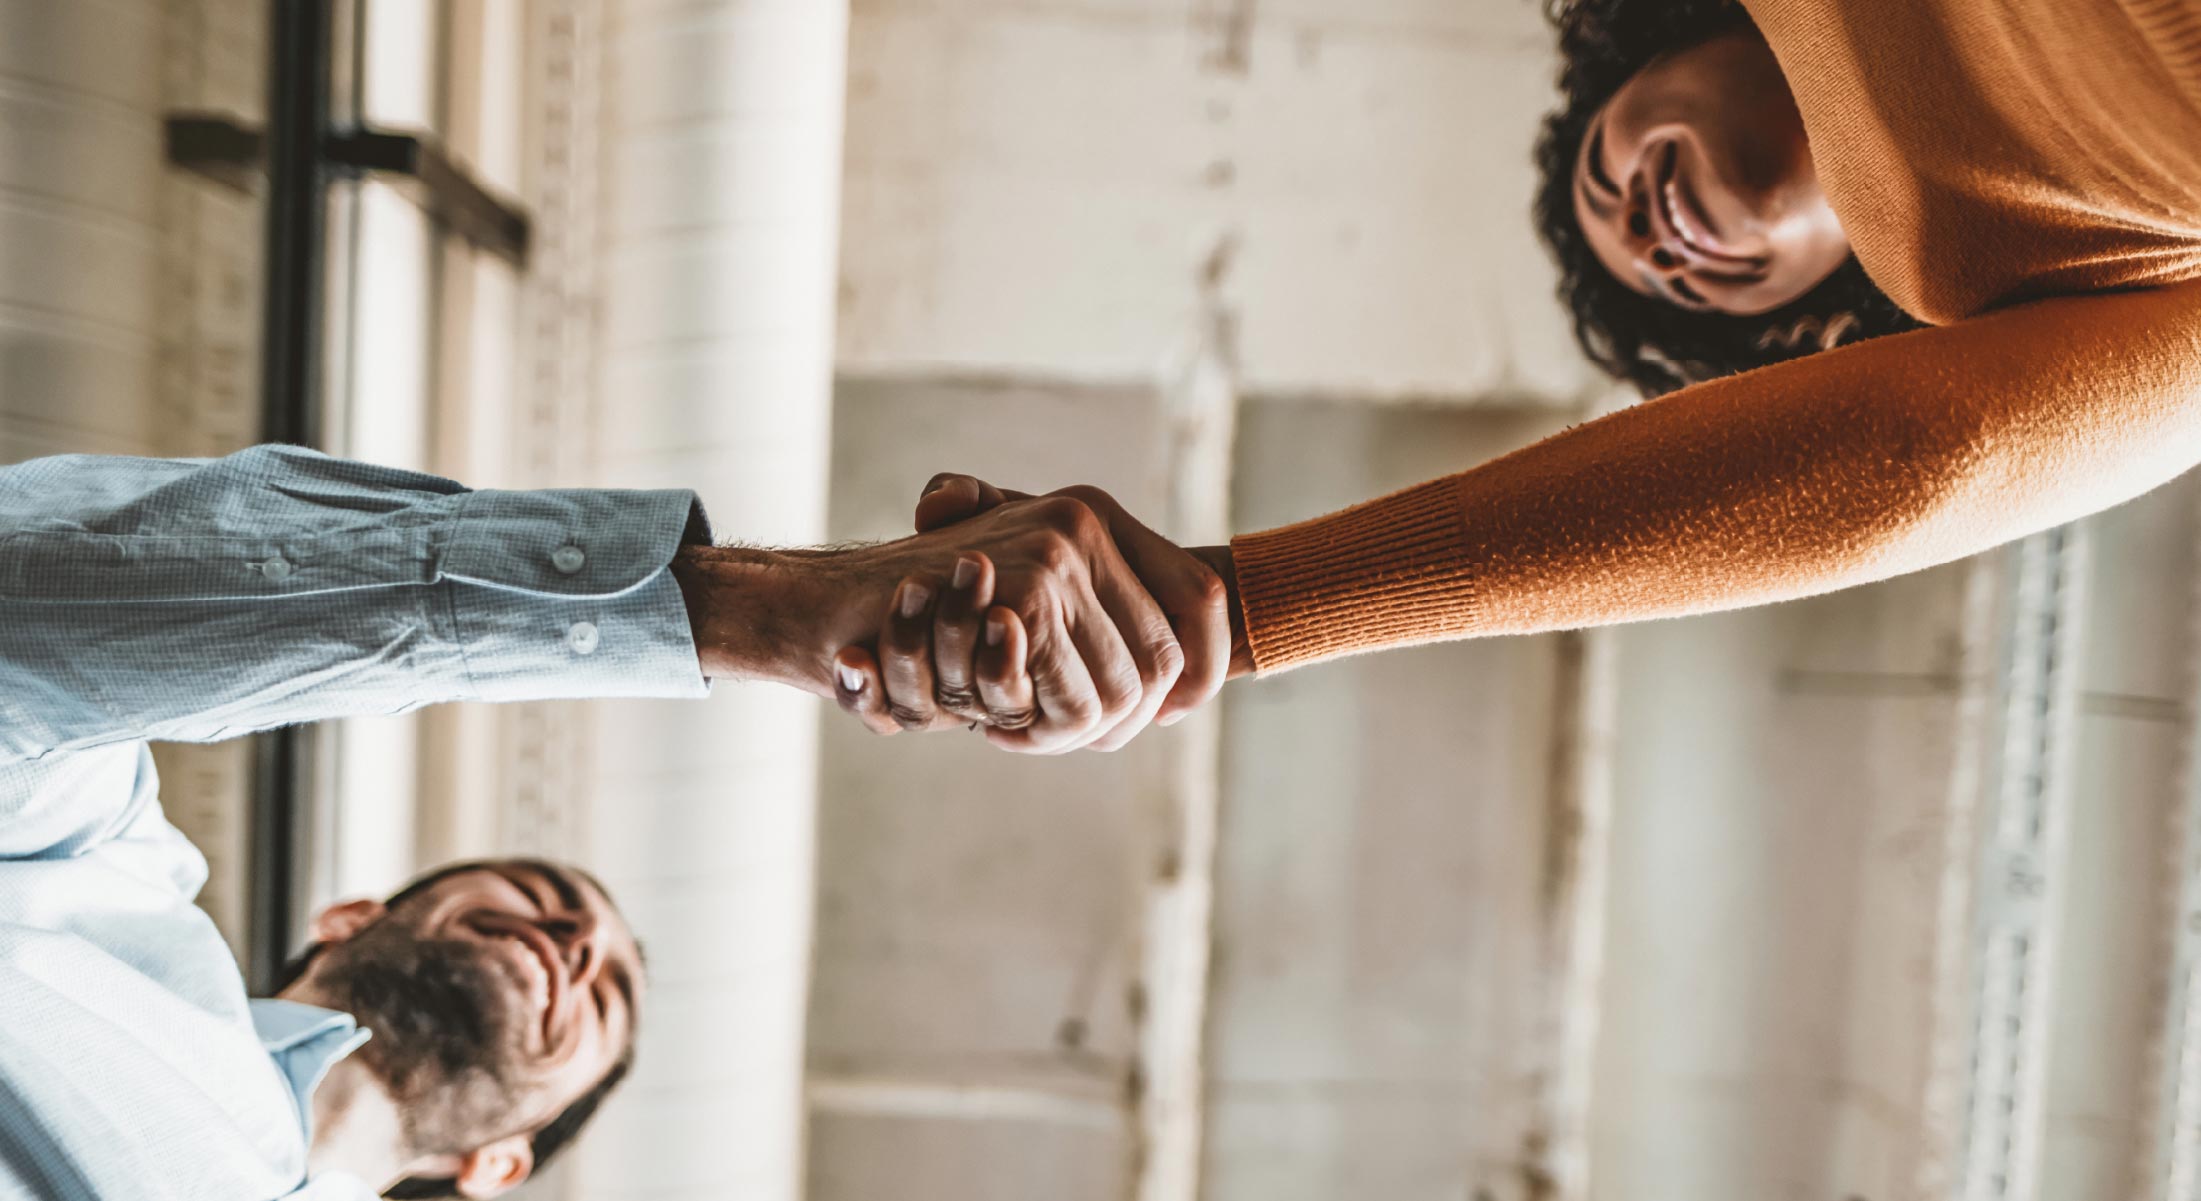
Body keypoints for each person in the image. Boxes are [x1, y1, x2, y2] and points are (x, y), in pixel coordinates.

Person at [840, 0, 2201, 734]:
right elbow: (1929, 458)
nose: (1648, 237)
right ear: (1807, 317)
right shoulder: (2035, 276)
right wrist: (1236, 609)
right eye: (1679, 286)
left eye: (1602, 176)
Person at [0, 442, 1206, 1200]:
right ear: (353, 916)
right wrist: (745, 612)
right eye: (546, 901)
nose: (576, 948)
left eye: (605, 994)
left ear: (499, 1164)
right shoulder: (90, 884)